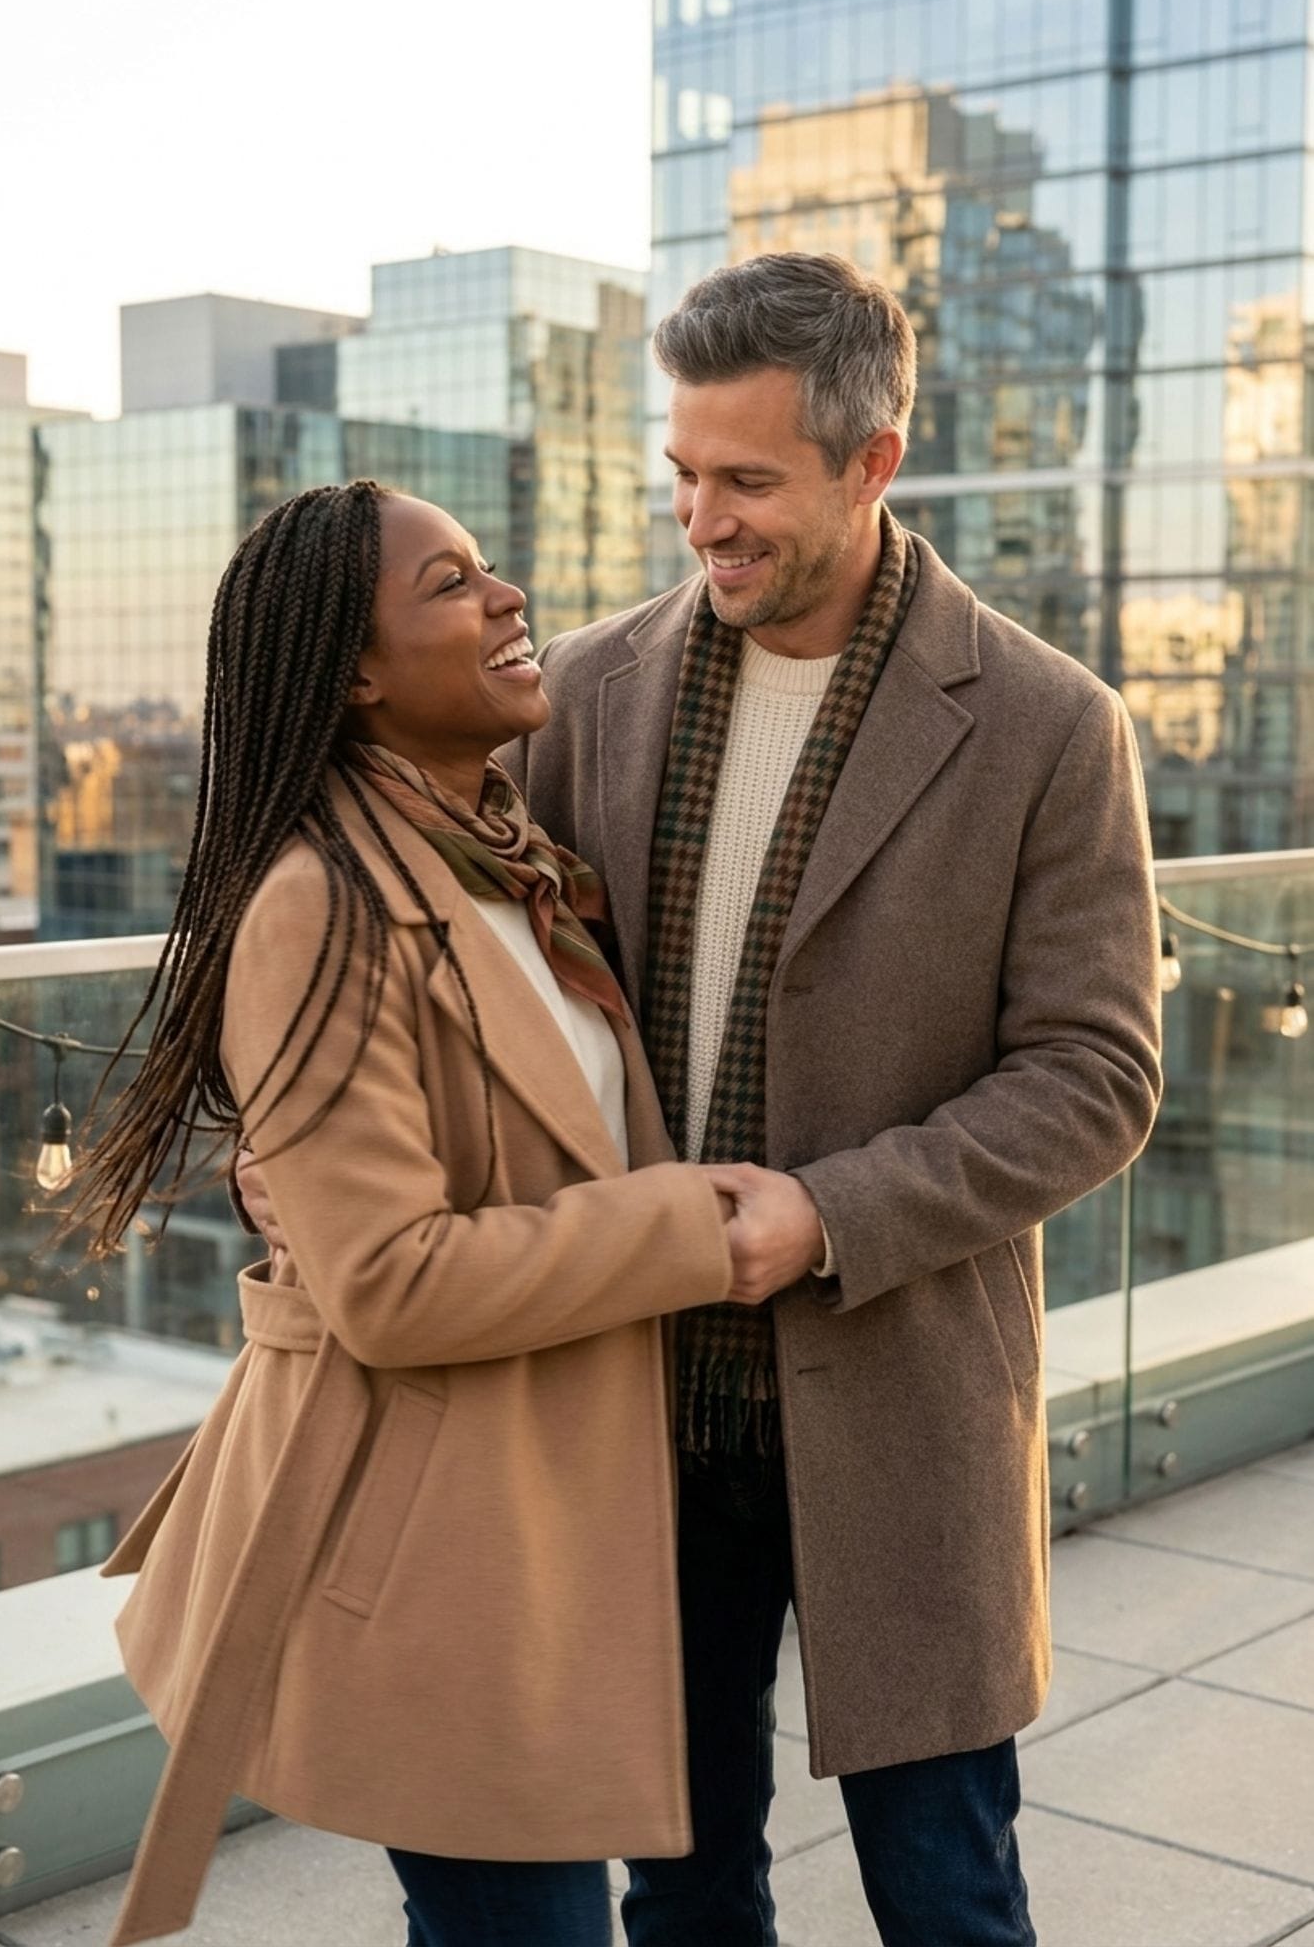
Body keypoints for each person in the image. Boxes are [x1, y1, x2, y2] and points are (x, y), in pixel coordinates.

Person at [499, 253, 1164, 1946]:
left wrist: (830, 1213)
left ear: (873, 463)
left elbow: (1096, 1076)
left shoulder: (1047, 725)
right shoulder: (581, 692)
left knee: (947, 1896)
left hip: (899, 1408)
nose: (700, 521)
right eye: (682, 476)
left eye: (746, 482)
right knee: (685, 1890)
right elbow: (446, 973)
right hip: (638, 1408)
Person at [59, 479, 776, 1947]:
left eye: (491, 567)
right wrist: (690, 1226)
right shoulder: (319, 902)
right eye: (452, 584)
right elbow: (387, 1280)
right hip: (447, 1561)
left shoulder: (503, 859)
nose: (509, 599)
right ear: (355, 673)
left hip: (552, 1527)